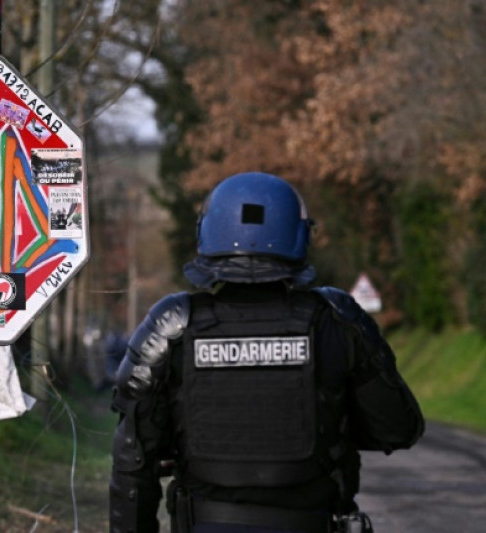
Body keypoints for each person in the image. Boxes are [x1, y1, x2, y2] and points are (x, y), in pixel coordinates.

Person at [109, 172, 424, 533]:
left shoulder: (171, 324)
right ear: (300, 235)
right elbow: (398, 429)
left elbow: (133, 462)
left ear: (206, 235)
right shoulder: (338, 320)